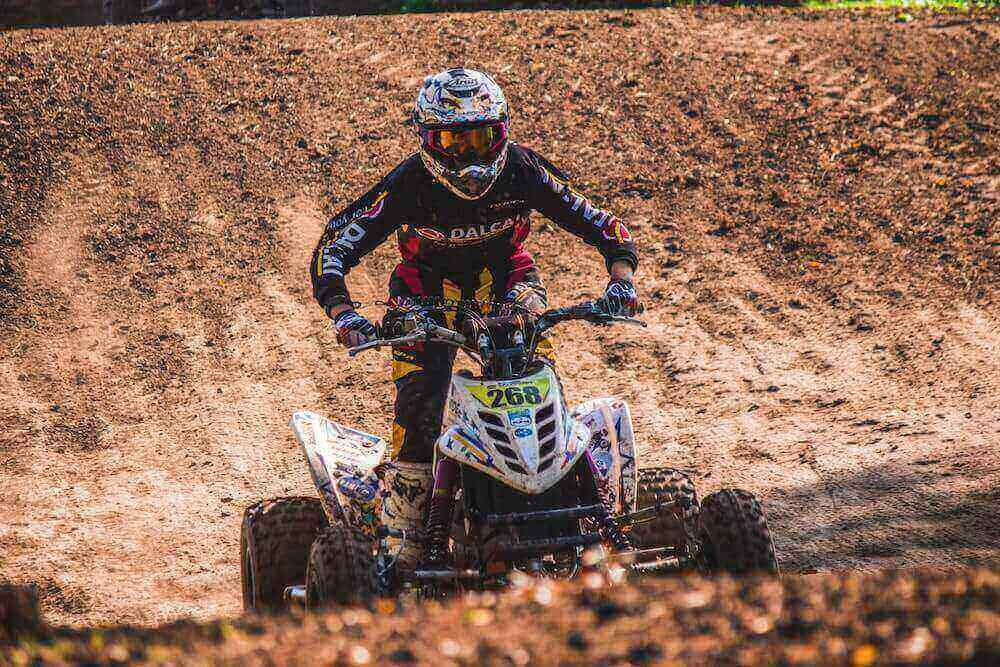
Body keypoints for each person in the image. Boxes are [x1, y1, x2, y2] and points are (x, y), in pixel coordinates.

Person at [310, 68, 640, 569]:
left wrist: (621, 280)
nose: (467, 153)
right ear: (427, 139)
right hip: (424, 296)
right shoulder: (409, 183)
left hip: (509, 286)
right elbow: (333, 247)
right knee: (422, 404)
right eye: (451, 140)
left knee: (537, 382)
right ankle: (407, 539)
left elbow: (603, 224)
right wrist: (345, 314)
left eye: (479, 137)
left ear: (500, 132)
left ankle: (587, 517)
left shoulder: (522, 170)